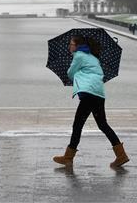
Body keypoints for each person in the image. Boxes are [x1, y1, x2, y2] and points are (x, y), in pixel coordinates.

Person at [52, 34, 130, 169]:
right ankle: (121, 155)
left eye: (71, 44)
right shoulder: (93, 57)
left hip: (88, 93)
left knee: (77, 125)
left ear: (76, 46)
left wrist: (75, 72)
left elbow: (70, 73)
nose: (69, 46)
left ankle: (68, 157)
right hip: (99, 93)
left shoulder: (79, 56)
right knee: (102, 124)